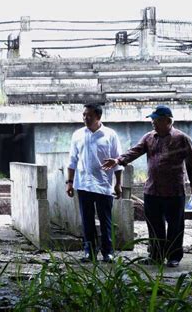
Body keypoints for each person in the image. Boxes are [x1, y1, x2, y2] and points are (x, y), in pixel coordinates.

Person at [102, 105, 192, 267]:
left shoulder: (182, 138)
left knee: (175, 226)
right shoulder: (149, 137)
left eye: (156, 120)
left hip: (174, 191)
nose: (152, 123)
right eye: (152, 120)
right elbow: (134, 151)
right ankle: (156, 255)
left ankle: (174, 257)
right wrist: (118, 160)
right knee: (154, 226)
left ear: (168, 121)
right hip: (152, 191)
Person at [66, 103, 123, 263]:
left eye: (89, 115)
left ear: (98, 116)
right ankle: (89, 252)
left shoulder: (110, 135)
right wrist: (69, 182)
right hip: (83, 184)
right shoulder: (77, 135)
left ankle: (108, 252)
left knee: (106, 220)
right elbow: (72, 161)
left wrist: (118, 184)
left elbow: (118, 161)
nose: (85, 118)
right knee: (87, 220)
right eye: (84, 115)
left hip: (104, 185)